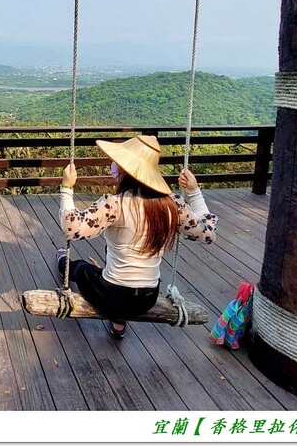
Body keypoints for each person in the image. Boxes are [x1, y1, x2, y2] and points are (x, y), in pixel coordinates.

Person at [57, 134, 217, 338]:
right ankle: (118, 326)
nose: (114, 166)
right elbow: (208, 232)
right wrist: (194, 192)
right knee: (113, 257)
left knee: (80, 269)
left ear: (124, 170)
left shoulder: (114, 205)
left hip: (111, 295)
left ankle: (62, 261)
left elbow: (72, 228)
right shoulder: (172, 206)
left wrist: (67, 188)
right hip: (147, 298)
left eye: (117, 163)